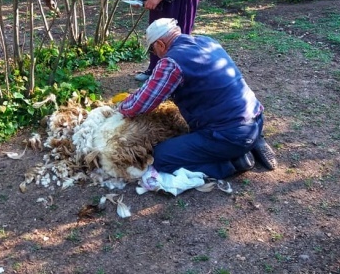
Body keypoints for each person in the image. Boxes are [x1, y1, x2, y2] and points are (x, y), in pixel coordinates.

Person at [118, 18, 278, 180]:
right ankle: (254, 141)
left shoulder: (171, 62)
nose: (155, 55)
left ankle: (233, 163)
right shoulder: (208, 41)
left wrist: (120, 108)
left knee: (161, 158)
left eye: (153, 50)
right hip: (256, 119)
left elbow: (140, 104)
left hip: (232, 135)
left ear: (160, 44)